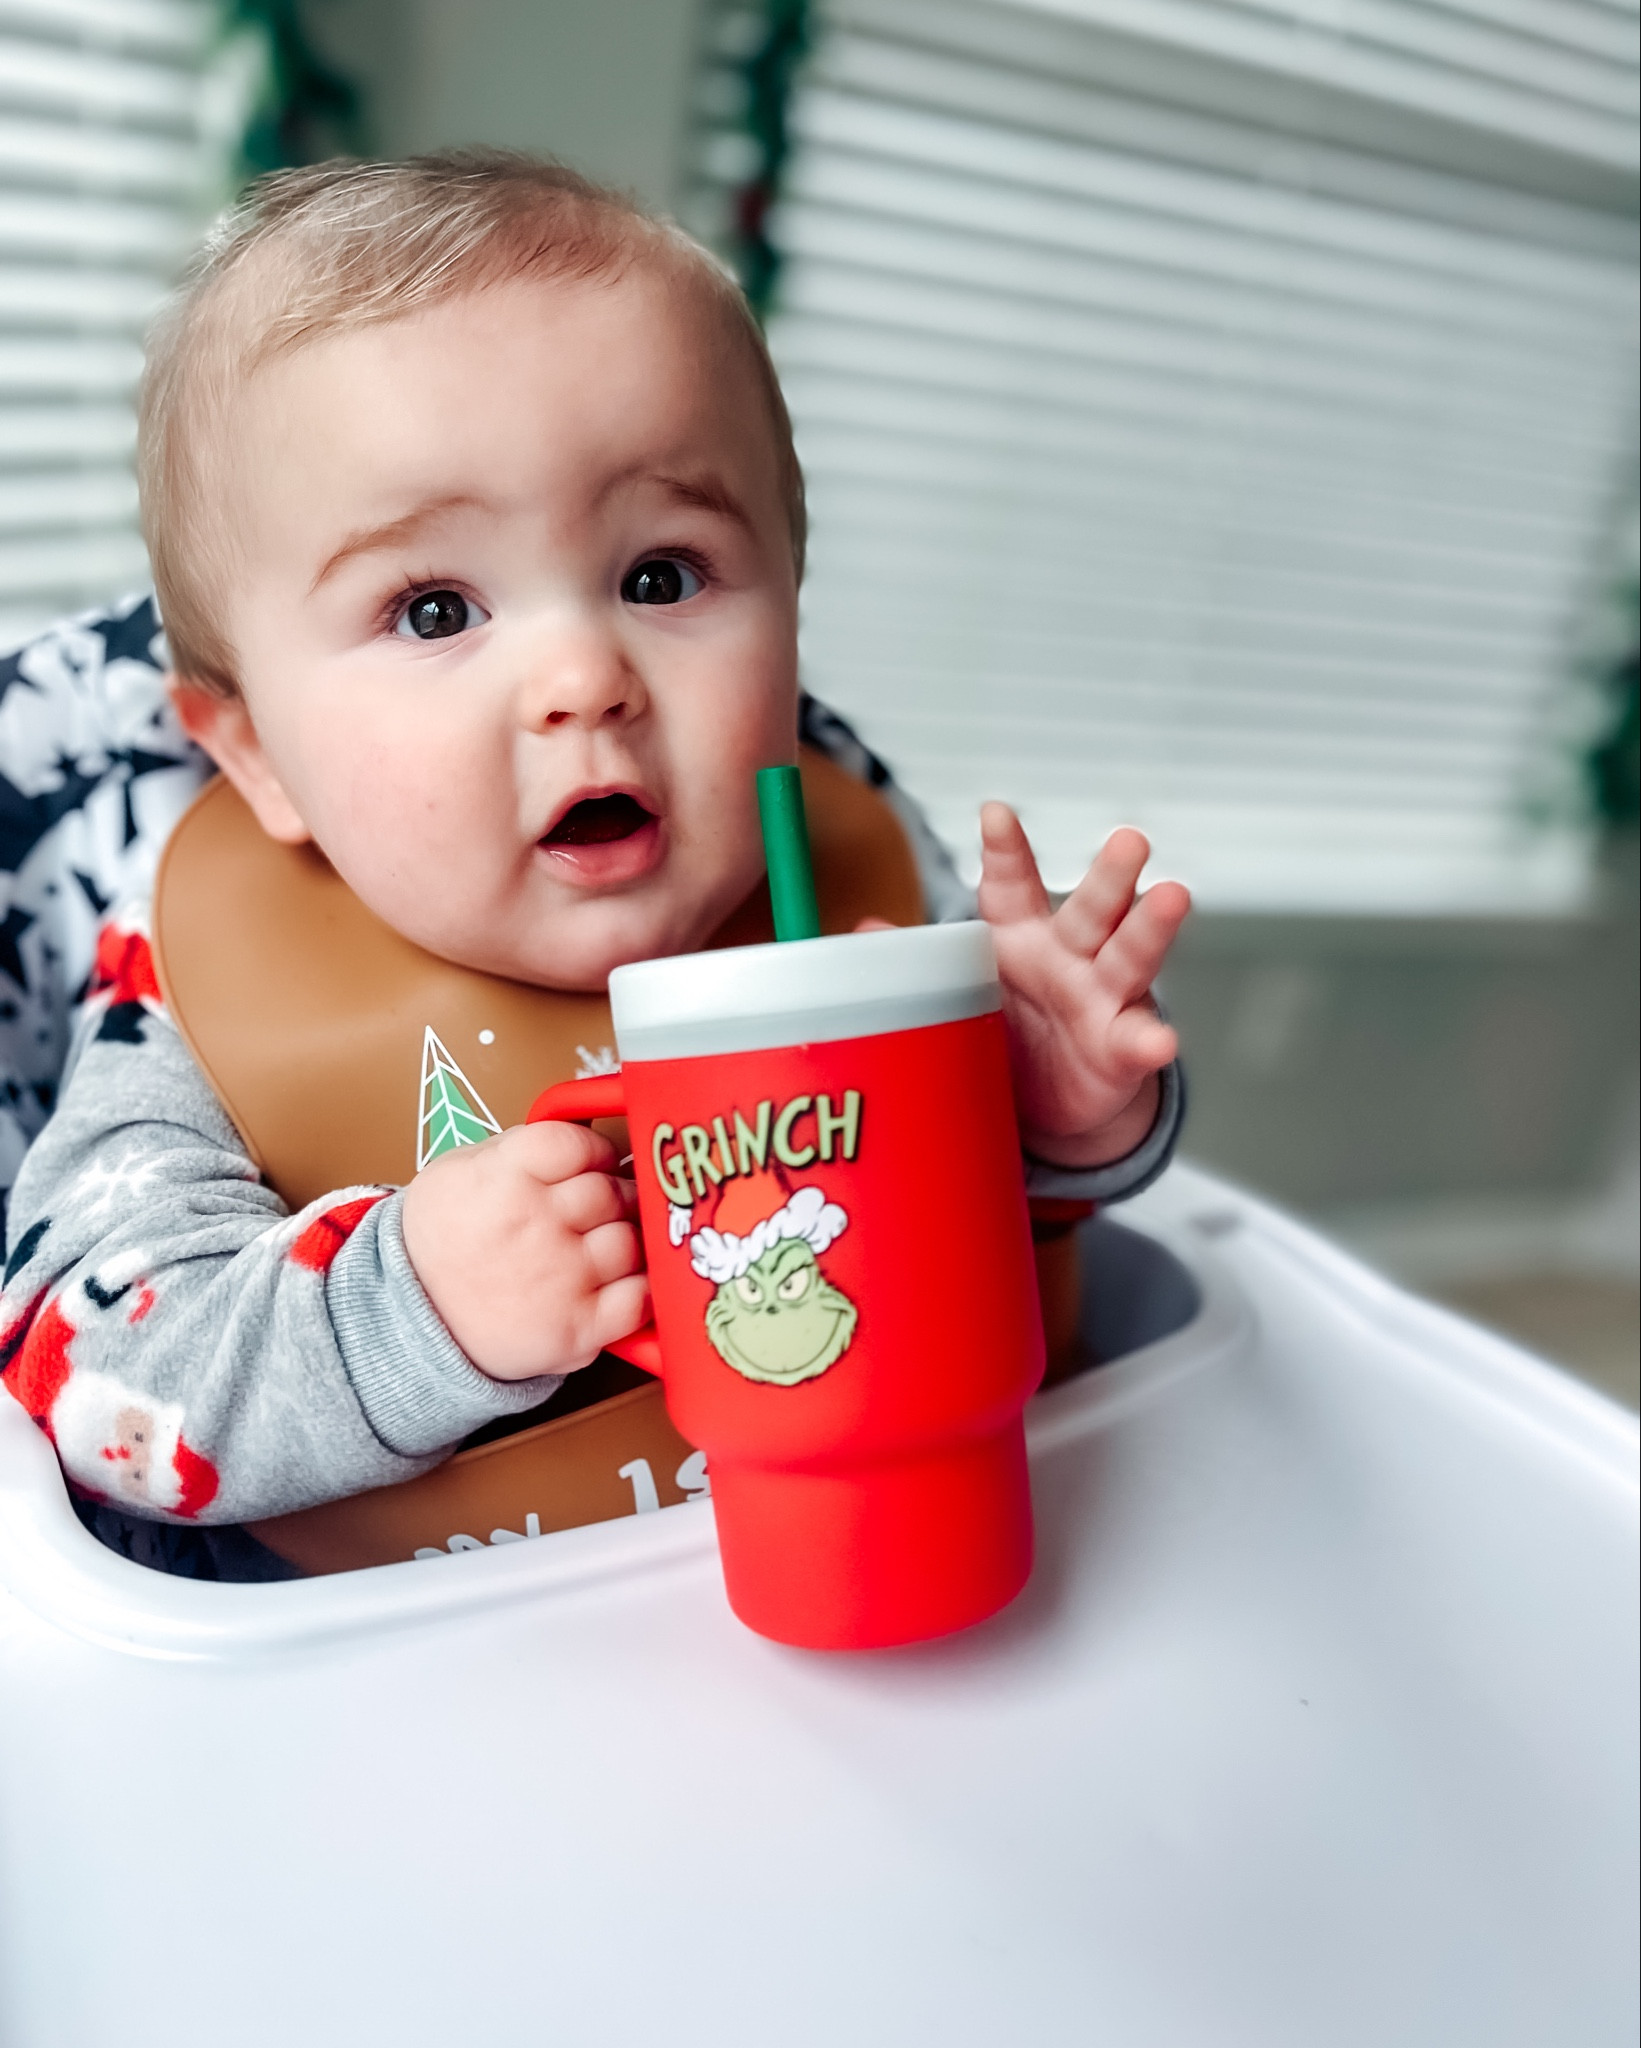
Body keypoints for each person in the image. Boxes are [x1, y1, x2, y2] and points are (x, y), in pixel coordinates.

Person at [0, 152, 1189, 1565]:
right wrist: (406, 1305)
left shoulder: (854, 880)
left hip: (906, 1543)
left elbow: (987, 1248)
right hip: (419, 1685)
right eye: (434, 608)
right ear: (251, 751)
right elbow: (99, 1385)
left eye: (660, 576)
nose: (582, 674)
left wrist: (1048, 1125)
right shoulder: (198, 999)